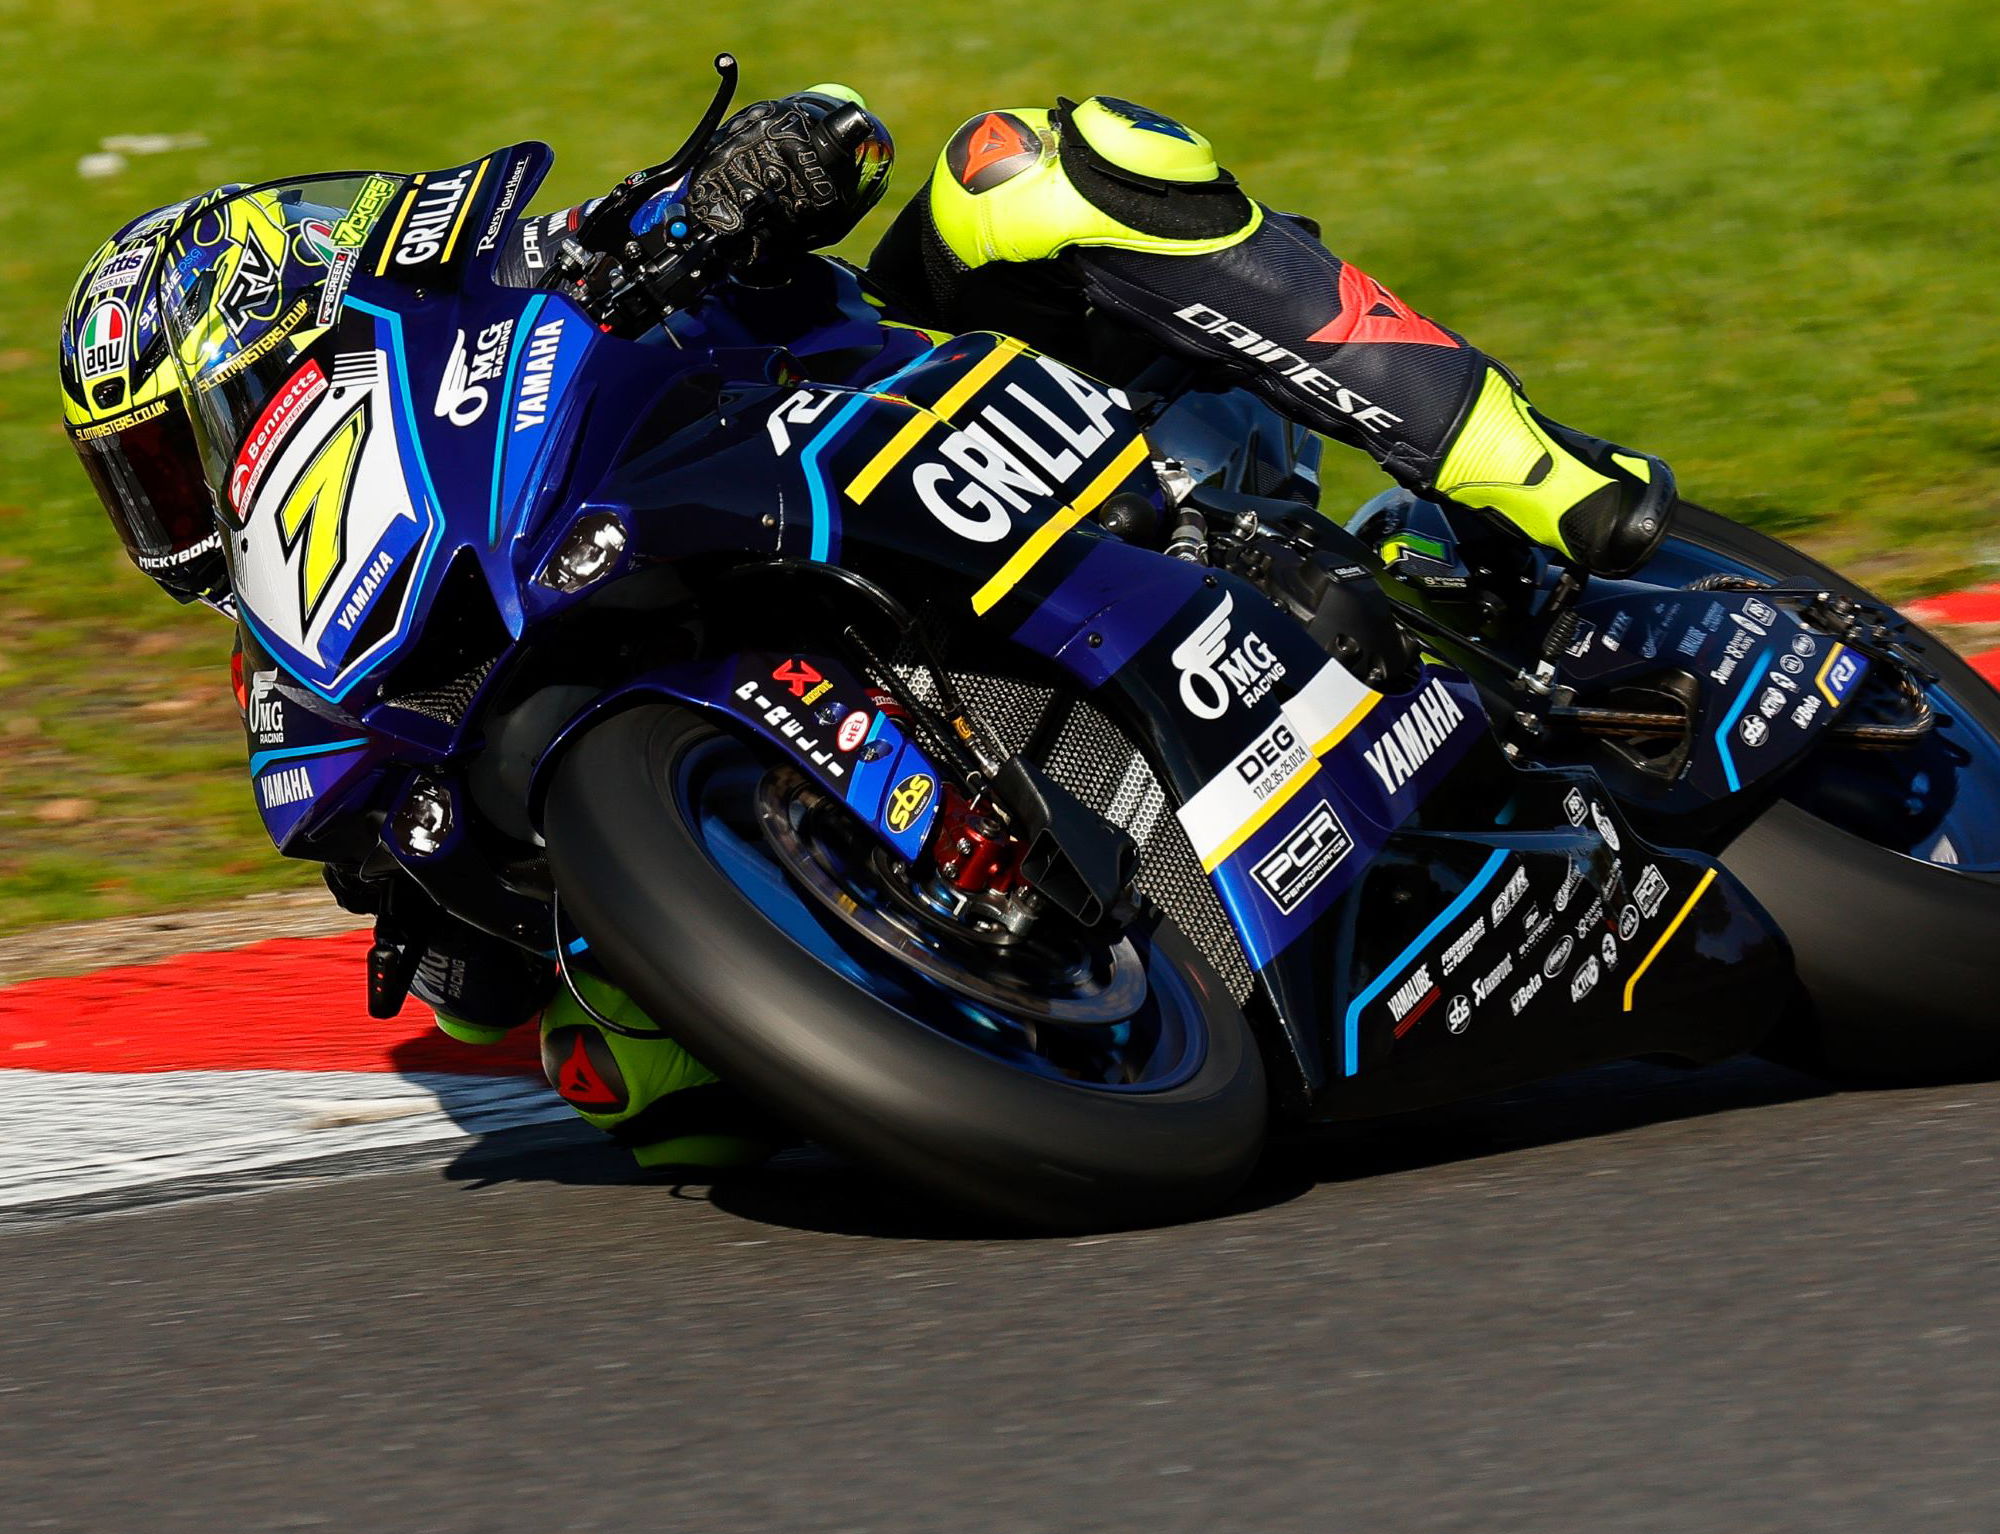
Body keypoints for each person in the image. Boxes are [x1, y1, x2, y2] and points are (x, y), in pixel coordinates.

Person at [59, 80, 1673, 1170]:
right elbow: (463, 984)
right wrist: (458, 901)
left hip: (1000, 432)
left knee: (1029, 164)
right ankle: (999, 971)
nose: (180, 498)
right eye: (141, 478)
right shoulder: (307, 679)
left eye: (168, 443)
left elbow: (841, 133)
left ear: (280, 321)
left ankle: (1532, 476)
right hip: (793, 797)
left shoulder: (524, 282)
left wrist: (752, 176)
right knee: (635, 1086)